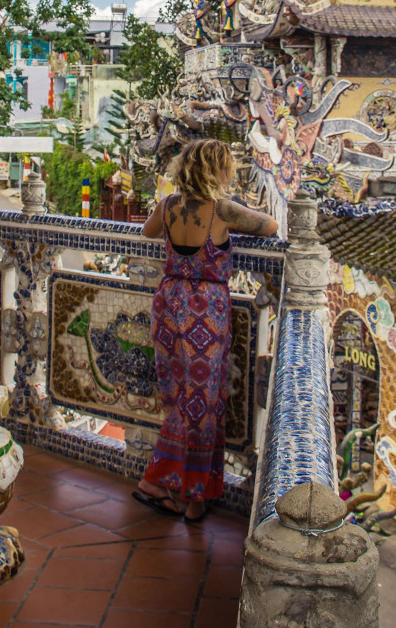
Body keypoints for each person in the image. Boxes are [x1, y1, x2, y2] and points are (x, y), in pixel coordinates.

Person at [132, 138, 279, 522]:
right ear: (217, 170)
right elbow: (270, 225)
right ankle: (162, 482)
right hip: (204, 311)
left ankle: (194, 496)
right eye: (227, 166)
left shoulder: (167, 206)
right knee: (201, 401)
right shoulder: (223, 210)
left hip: (168, 303)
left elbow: (148, 232)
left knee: (181, 397)